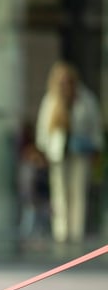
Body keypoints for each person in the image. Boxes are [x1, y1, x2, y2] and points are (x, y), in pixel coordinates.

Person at [35, 61, 103, 244]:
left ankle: (76, 233)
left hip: (80, 153)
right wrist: (43, 150)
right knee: (60, 193)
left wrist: (96, 148)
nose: (64, 84)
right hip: (58, 153)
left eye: (67, 80)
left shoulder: (86, 99)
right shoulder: (51, 100)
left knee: (78, 192)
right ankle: (61, 233)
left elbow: (95, 126)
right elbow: (43, 127)